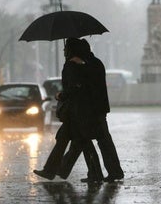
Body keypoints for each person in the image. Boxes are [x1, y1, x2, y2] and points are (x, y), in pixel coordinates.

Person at [33, 38, 103, 182]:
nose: (64, 51)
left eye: (66, 49)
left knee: (78, 141)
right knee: (74, 141)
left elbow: (74, 87)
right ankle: (53, 170)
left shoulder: (71, 66)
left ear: (71, 50)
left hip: (75, 112)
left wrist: (61, 95)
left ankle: (52, 170)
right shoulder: (82, 65)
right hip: (79, 111)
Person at [58, 39, 124, 183]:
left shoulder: (85, 64)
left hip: (90, 110)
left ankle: (102, 173)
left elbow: (80, 86)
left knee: (91, 140)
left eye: (67, 49)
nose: (65, 52)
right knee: (100, 141)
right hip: (98, 109)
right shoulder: (95, 63)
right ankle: (109, 172)